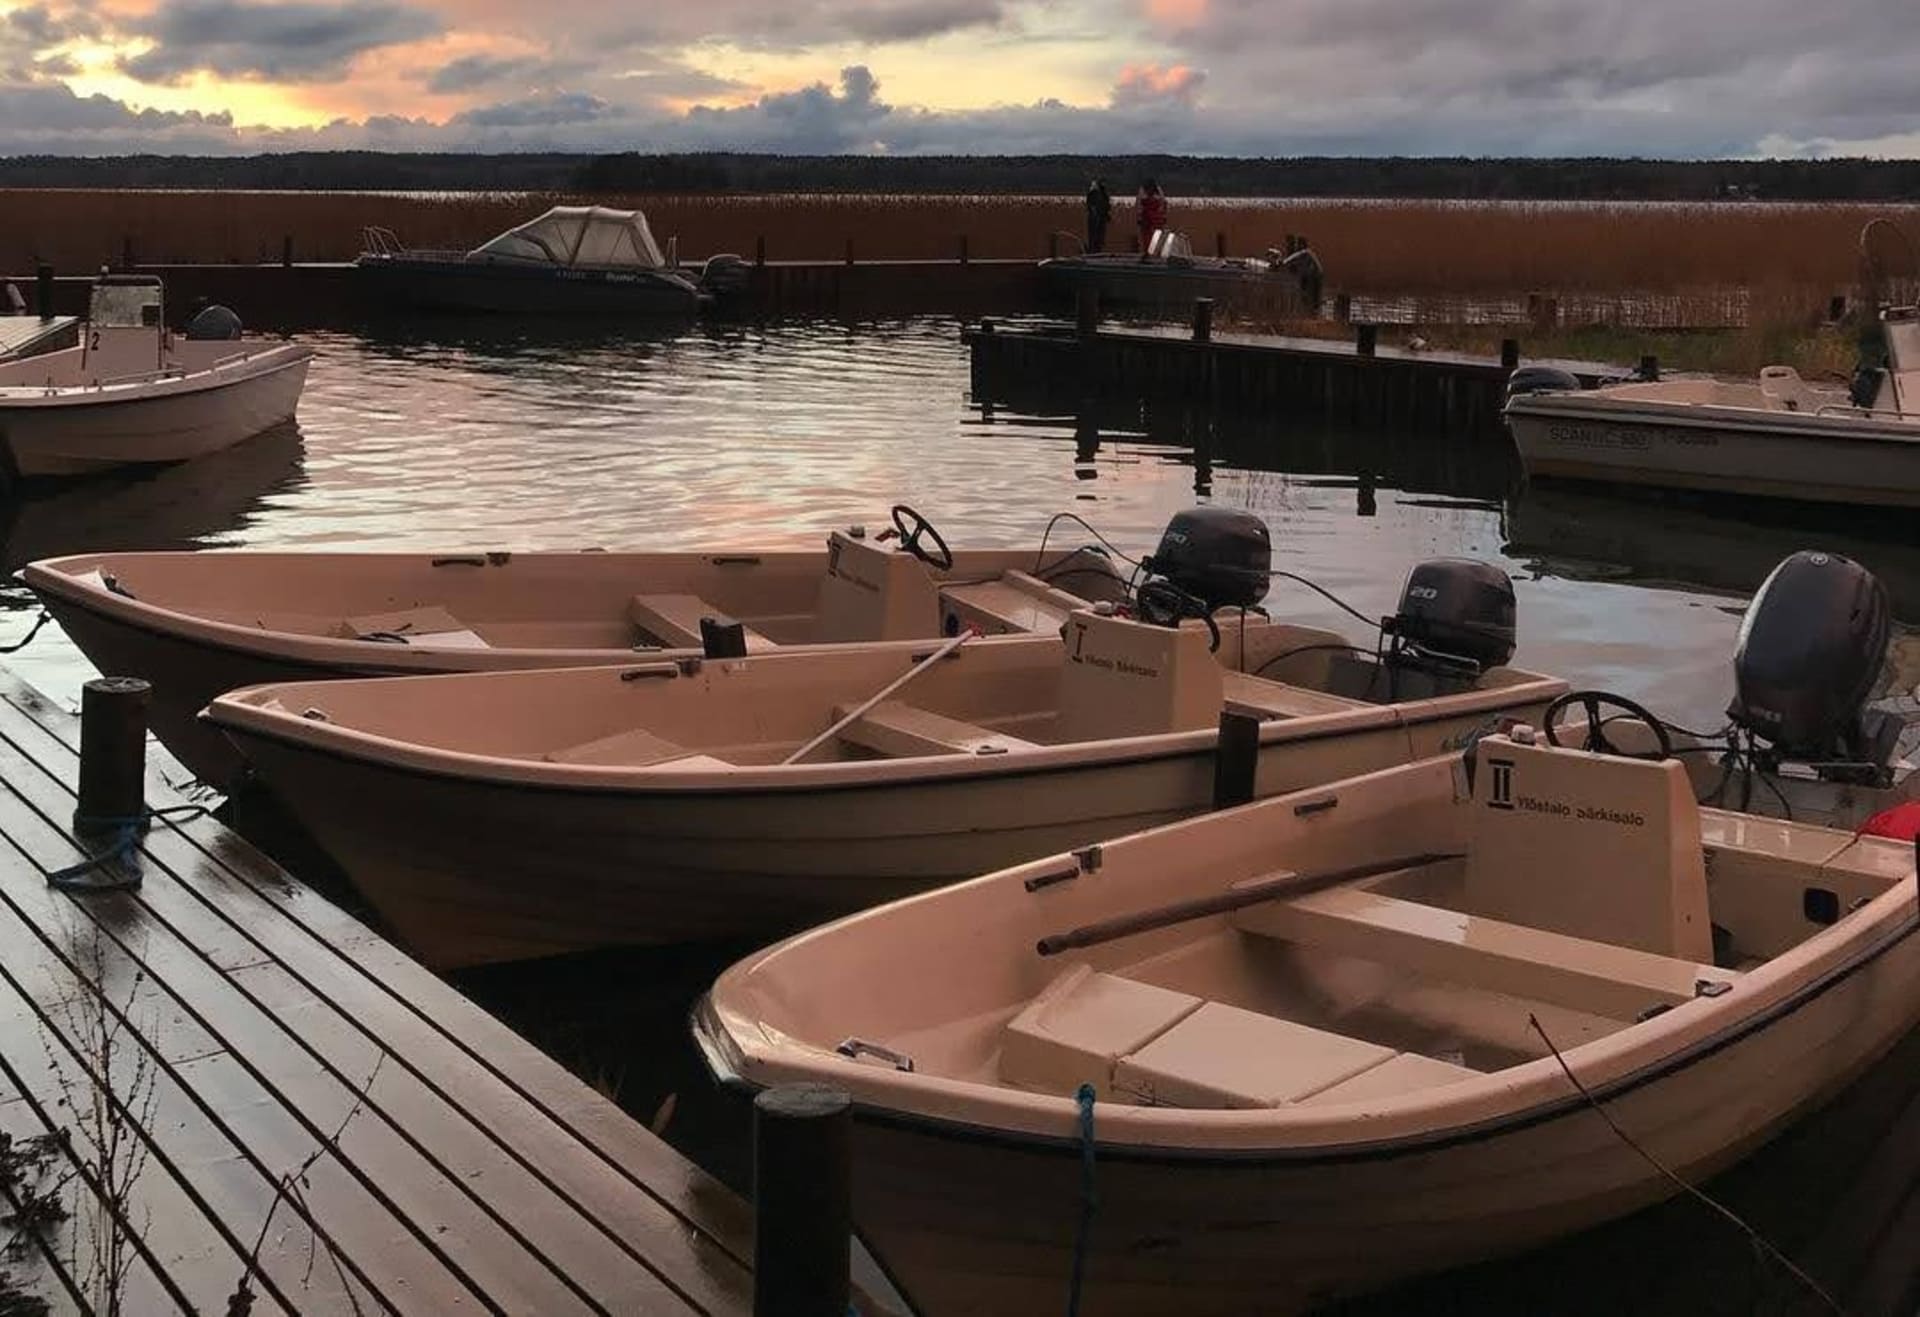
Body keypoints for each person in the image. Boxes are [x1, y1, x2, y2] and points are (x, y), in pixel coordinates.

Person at [1137, 179, 1168, 259]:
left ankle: (1153, 252)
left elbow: (1162, 204)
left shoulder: (1155, 192)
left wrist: (1163, 215)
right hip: (1148, 217)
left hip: (1154, 217)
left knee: (1154, 235)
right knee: (1147, 236)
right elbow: (1139, 205)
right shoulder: (1144, 191)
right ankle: (1148, 252)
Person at [1084, 178, 1111, 254]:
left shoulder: (1104, 193)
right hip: (1095, 217)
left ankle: (1097, 250)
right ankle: (1092, 251)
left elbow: (1106, 205)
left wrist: (1106, 214)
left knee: (1100, 237)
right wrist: (1095, 213)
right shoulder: (1094, 193)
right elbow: (1091, 205)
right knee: (1094, 236)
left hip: (1101, 217)